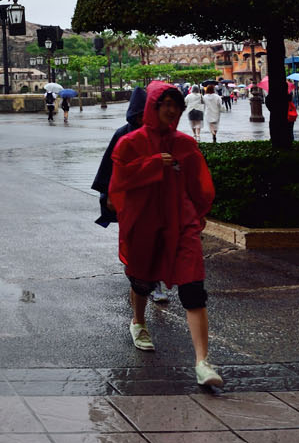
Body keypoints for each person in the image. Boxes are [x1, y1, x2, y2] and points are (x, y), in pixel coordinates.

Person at [108, 82, 220, 388]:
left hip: (181, 222)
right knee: (141, 278)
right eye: (165, 104)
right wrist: (153, 164)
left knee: (193, 285)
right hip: (144, 221)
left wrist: (198, 213)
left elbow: (199, 183)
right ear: (153, 107)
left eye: (176, 105)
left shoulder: (185, 144)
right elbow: (119, 181)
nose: (171, 110)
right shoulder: (129, 143)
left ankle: (202, 361)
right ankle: (138, 321)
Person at [91, 87, 148, 228]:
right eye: (139, 116)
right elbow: (109, 166)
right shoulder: (122, 134)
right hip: (128, 191)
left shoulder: (152, 133)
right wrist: (109, 194)